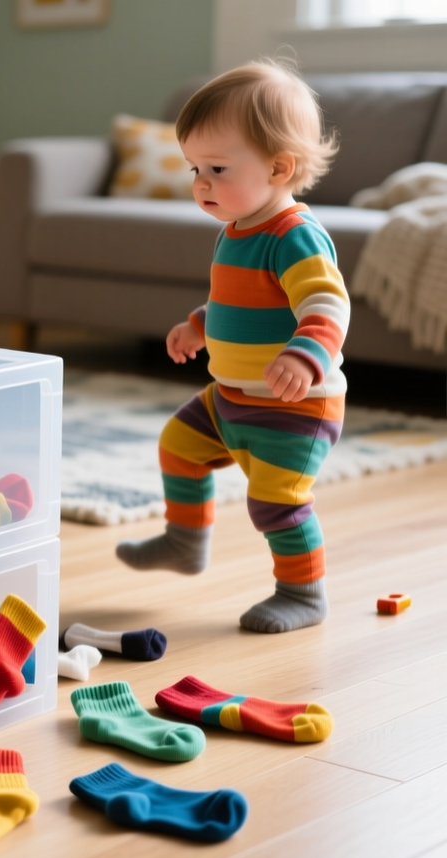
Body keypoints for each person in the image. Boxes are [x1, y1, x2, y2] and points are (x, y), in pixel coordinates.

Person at [115, 59, 346, 633]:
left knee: (276, 503)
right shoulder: (237, 229)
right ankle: (184, 540)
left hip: (294, 406)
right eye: (195, 167)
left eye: (217, 167)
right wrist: (199, 324)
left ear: (279, 166)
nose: (200, 183)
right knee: (179, 444)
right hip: (232, 395)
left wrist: (305, 355)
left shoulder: (294, 234)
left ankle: (303, 592)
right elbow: (239, 301)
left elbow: (326, 304)